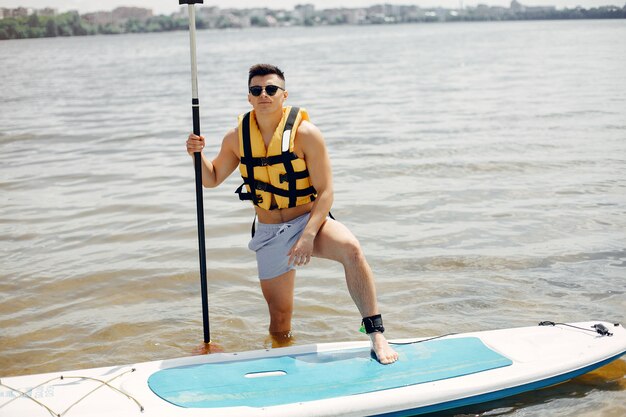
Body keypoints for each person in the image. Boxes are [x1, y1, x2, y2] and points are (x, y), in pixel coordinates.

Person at [186, 64, 398, 364]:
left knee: (351, 248)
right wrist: (197, 155)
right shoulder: (236, 137)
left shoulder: (306, 134)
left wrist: (308, 236)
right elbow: (212, 178)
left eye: (271, 89)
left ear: (283, 95)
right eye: (256, 90)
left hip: (309, 221)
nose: (264, 94)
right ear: (249, 97)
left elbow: (326, 193)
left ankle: (376, 333)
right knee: (280, 321)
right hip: (269, 232)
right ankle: (283, 364)